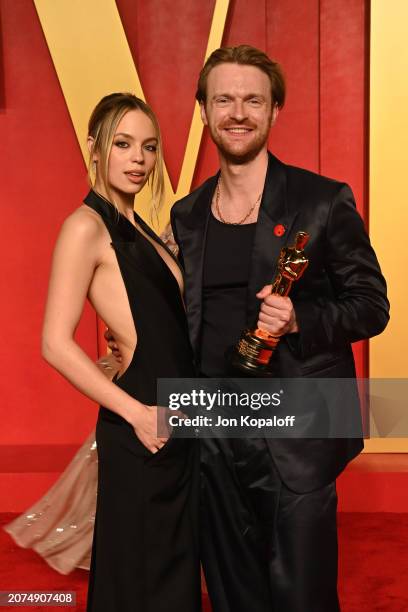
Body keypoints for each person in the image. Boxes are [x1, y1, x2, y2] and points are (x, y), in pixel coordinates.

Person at [166, 45, 389, 611]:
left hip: (297, 433)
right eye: (224, 99)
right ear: (203, 111)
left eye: (252, 100)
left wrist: (300, 320)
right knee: (231, 593)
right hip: (212, 431)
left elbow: (372, 306)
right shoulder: (187, 215)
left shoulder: (322, 201)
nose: (237, 112)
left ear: (274, 111)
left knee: (302, 597)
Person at [14, 92, 201, 612]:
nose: (138, 159)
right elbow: (54, 342)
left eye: (148, 146)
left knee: (170, 572)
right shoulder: (85, 226)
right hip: (142, 424)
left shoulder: (142, 229)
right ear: (94, 148)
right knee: (140, 577)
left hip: (178, 421)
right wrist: (137, 413)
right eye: (123, 144)